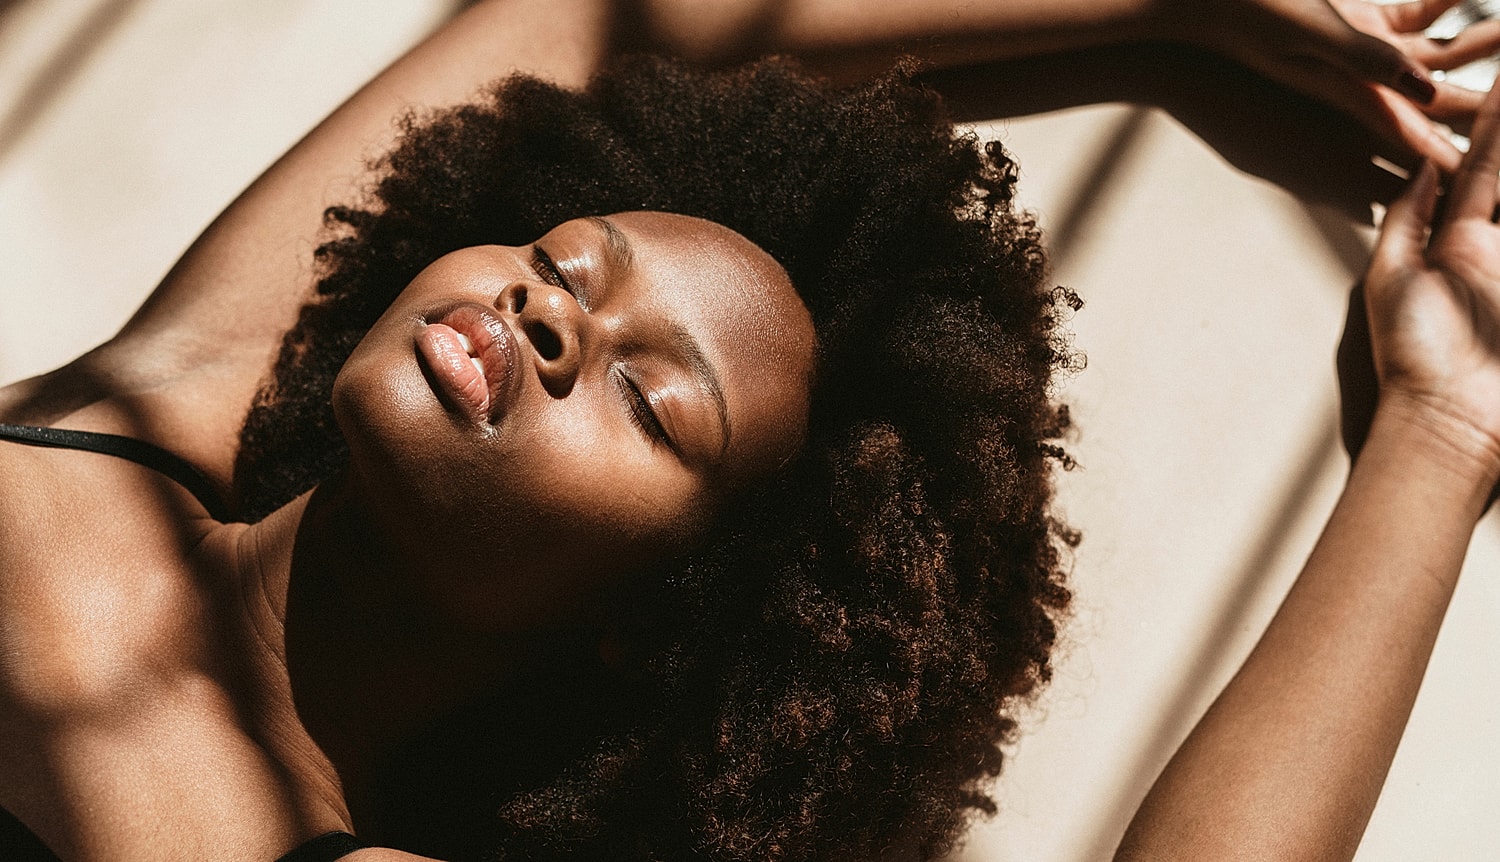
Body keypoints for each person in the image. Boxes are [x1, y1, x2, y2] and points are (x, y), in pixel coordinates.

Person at [0, 1, 1497, 860]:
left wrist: (1441, 427)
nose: (550, 316)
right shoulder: (142, 411)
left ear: (660, 630)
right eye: (563, 259)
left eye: (650, 402)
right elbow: (609, 12)